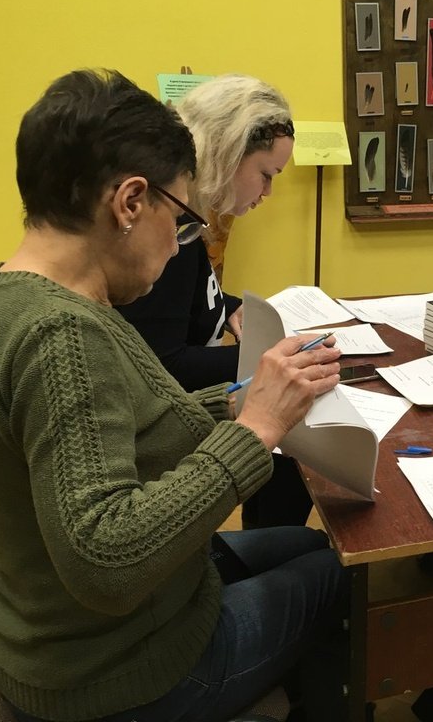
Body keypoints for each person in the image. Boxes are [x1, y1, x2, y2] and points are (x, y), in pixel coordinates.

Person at [0, 69, 349, 722]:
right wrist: (254, 434)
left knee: (304, 548)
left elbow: (123, 422)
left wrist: (232, 404)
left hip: (53, 630)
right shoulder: (61, 337)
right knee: (343, 578)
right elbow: (108, 560)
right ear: (130, 202)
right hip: (110, 673)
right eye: (179, 220)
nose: (180, 245)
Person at [117, 74, 310, 527]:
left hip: (183, 406)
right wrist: (265, 361)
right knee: (293, 441)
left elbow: (185, 301)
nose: (267, 193)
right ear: (227, 153)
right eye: (266, 175)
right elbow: (166, 363)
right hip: (165, 423)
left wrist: (228, 306)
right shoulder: (171, 236)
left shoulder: (191, 221)